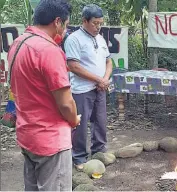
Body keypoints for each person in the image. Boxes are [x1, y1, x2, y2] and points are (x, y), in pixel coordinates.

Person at [7, 0, 80, 190]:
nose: (65, 30)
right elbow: (66, 104)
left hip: (27, 133)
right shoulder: (49, 51)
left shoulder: (18, 43)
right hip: (50, 139)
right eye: (66, 24)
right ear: (57, 22)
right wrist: (74, 120)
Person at [64, 4, 113, 170]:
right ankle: (79, 157)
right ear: (84, 21)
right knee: (80, 124)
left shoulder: (100, 38)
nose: (98, 27)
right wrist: (99, 79)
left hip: (99, 88)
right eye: (95, 23)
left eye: (100, 23)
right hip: (81, 89)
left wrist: (104, 79)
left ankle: (99, 152)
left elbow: (108, 61)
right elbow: (73, 66)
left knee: (100, 122)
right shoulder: (74, 39)